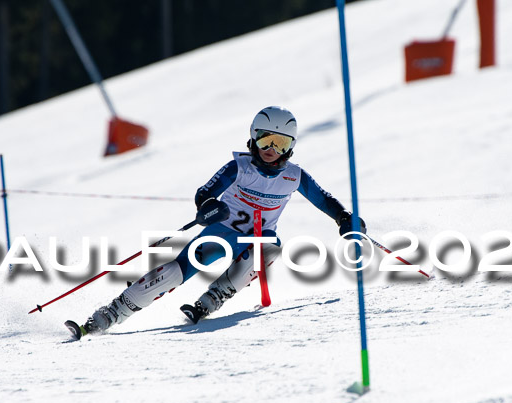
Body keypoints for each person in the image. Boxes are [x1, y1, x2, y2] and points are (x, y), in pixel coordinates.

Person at [75, 106, 366, 336]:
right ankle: (109, 315)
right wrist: (209, 206)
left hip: (257, 239)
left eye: (280, 143)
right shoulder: (239, 167)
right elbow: (205, 192)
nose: (271, 149)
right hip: (219, 232)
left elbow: (324, 199)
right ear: (253, 137)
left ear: (291, 146)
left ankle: (215, 297)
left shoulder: (294, 176)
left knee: (269, 249)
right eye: (265, 139)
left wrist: (344, 218)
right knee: (174, 273)